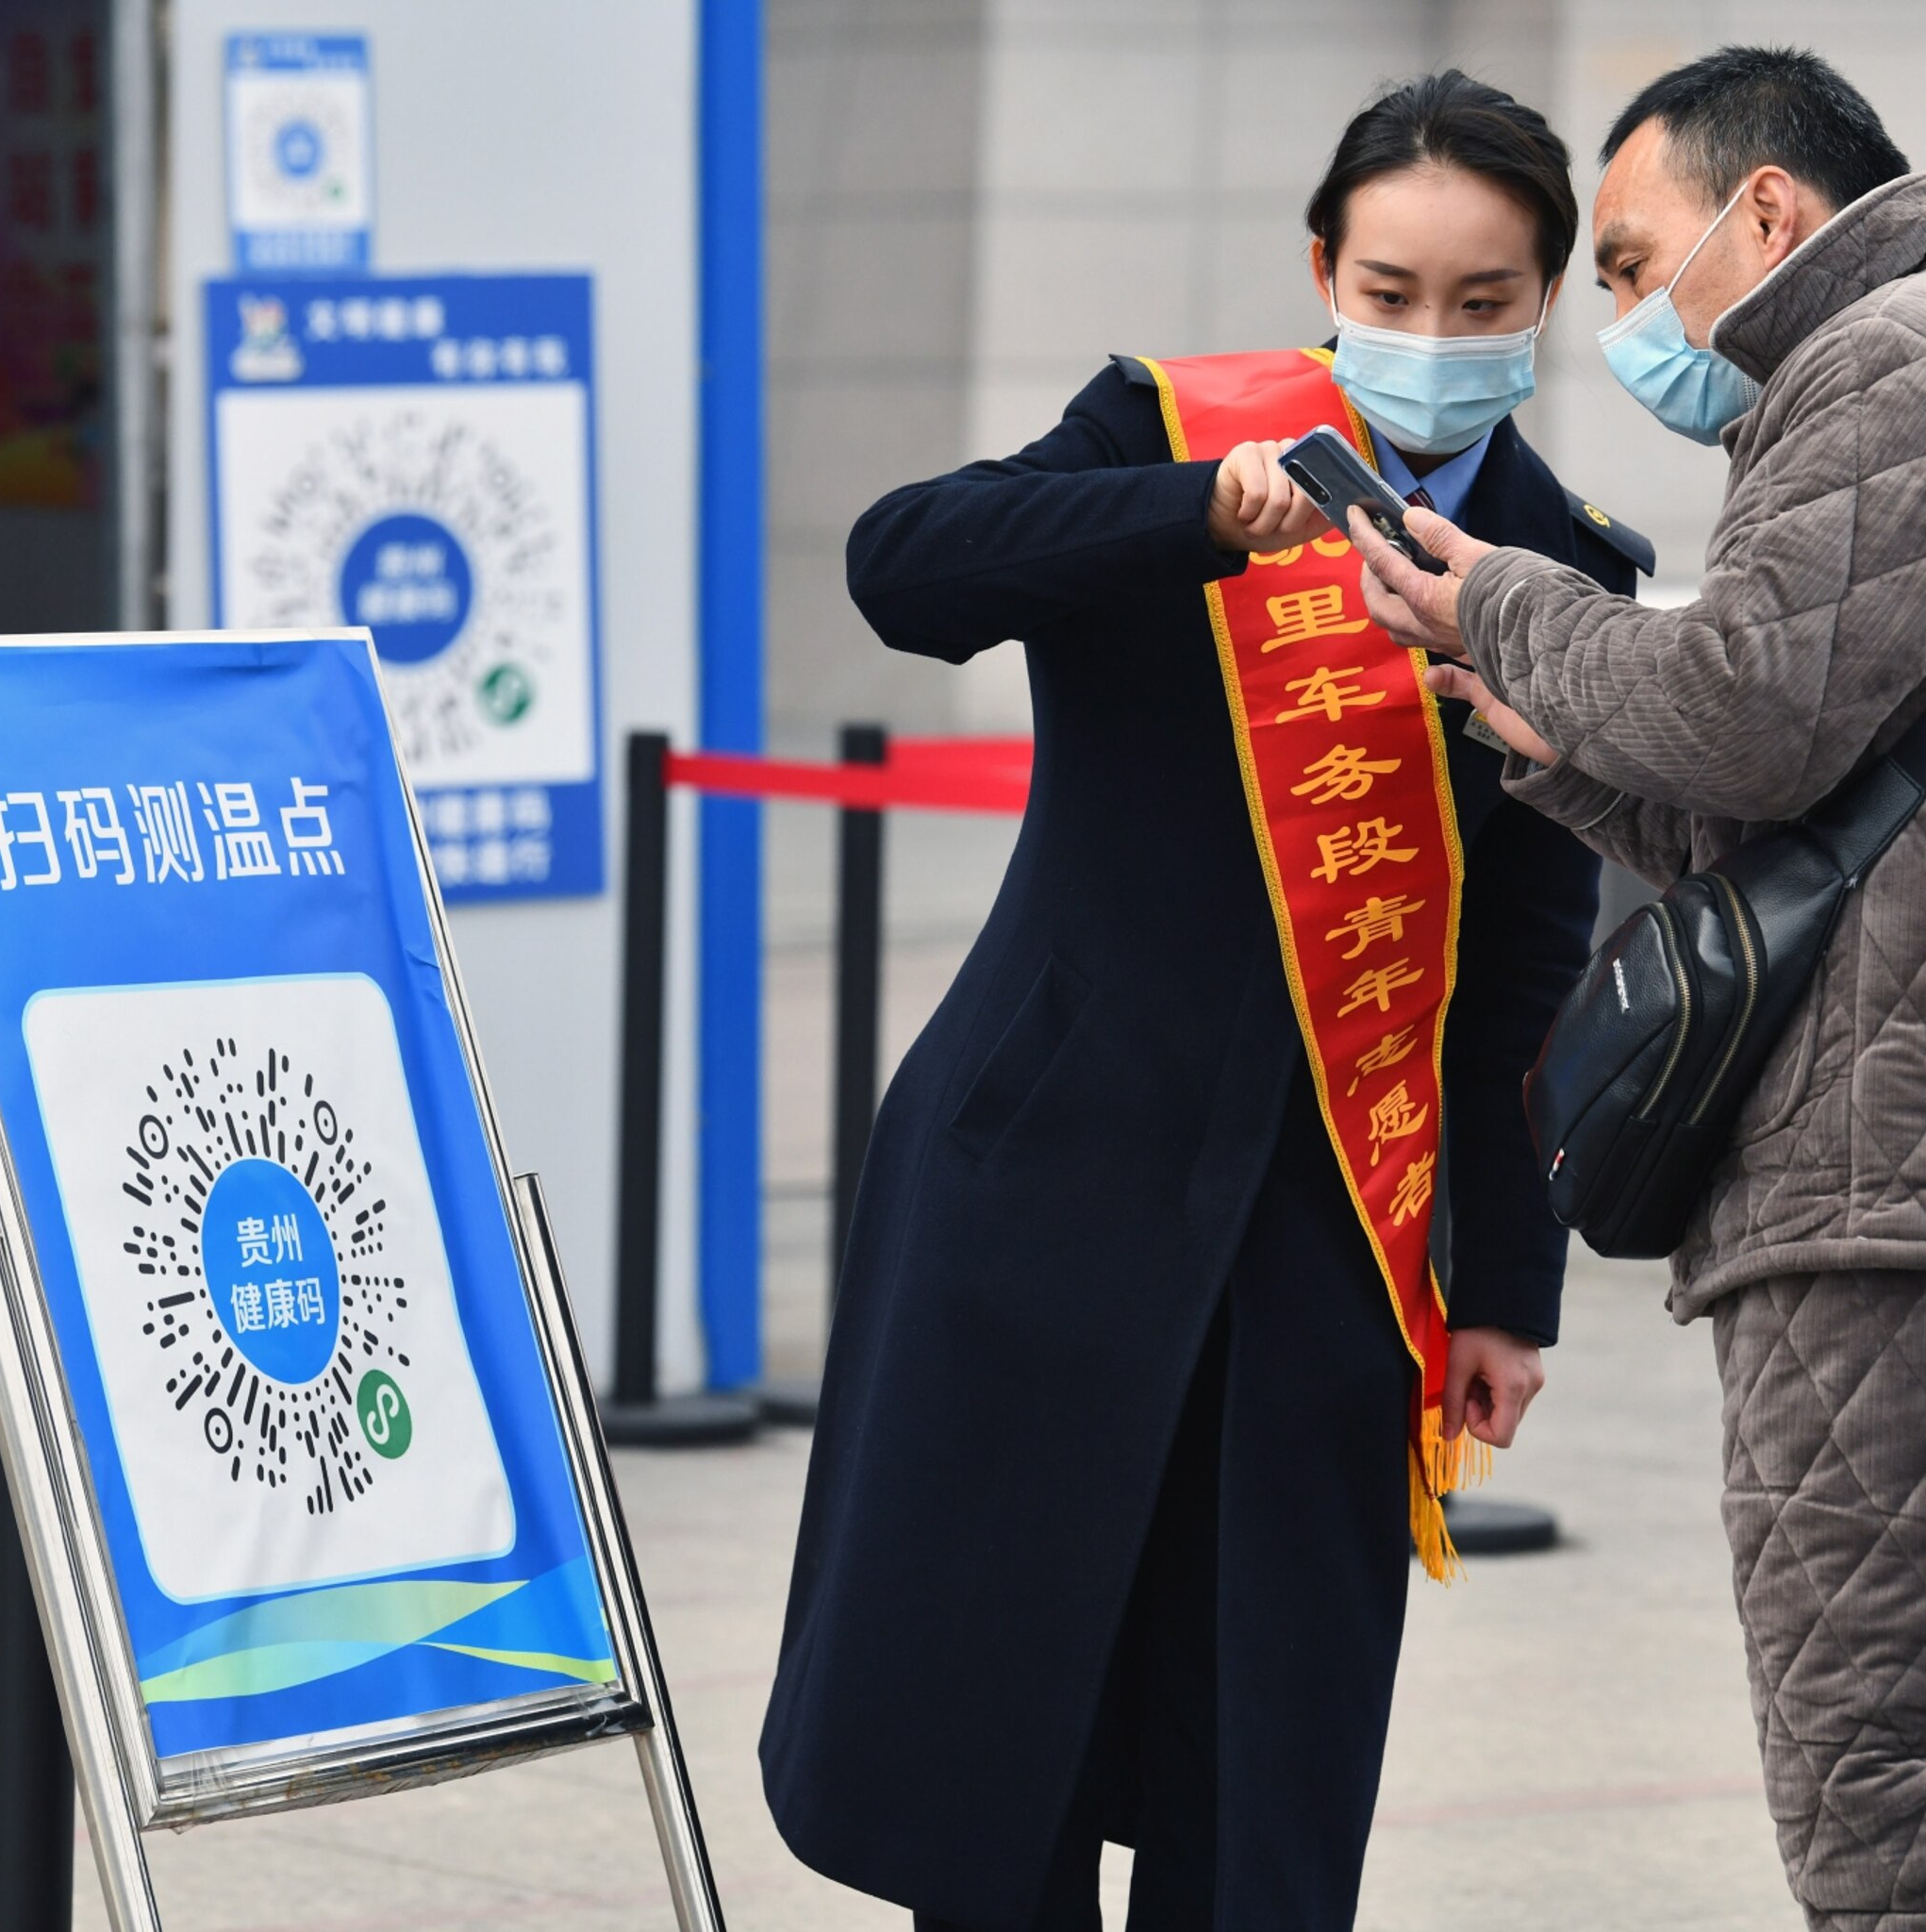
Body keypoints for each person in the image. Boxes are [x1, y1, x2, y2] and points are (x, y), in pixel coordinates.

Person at [758, 72, 1650, 1930]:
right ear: (1323, 267)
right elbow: (904, 568)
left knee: (1262, 1764)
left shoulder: (1570, 583)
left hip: (1330, 1240)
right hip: (1043, 1182)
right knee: (998, 1743)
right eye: (1391, 291)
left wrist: (1505, 1293)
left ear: (1545, 303)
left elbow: (1518, 990)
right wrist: (1183, 516)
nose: (1429, 339)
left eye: (1483, 304)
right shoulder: (1168, 430)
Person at [1359, 46, 1926, 1932]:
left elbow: (1743, 707)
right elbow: (1817, 831)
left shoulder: (1896, 362)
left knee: (1899, 1788)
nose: (1633, 320)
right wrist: (1550, 739)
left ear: (1768, 209)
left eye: (1639, 261)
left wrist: (1501, 602)